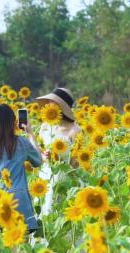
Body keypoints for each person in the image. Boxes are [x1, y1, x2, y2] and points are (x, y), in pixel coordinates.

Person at [0, 104, 44, 233]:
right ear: (12, 123)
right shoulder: (21, 143)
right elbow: (38, 161)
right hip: (18, 201)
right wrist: (30, 133)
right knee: (21, 249)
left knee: (0, 248)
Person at [35, 88, 81, 217]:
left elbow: (76, 164)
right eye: (49, 101)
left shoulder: (75, 130)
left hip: (62, 180)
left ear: (62, 106)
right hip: (44, 177)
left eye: (52, 102)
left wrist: (58, 157)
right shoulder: (45, 126)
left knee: (58, 216)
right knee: (42, 218)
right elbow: (39, 150)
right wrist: (43, 154)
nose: (49, 104)